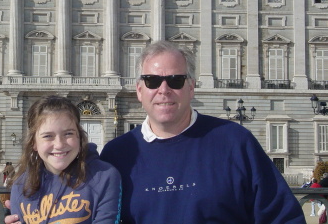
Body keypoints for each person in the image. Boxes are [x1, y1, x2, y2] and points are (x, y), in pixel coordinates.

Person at [99, 41, 305, 223]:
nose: (163, 90)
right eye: (152, 81)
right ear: (139, 90)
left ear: (191, 88)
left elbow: (282, 216)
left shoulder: (235, 141)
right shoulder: (117, 154)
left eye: (175, 80)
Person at [6, 95, 121, 224]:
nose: (59, 144)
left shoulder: (104, 176)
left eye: (68, 134)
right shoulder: (21, 184)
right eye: (48, 136)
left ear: (79, 137)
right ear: (34, 143)